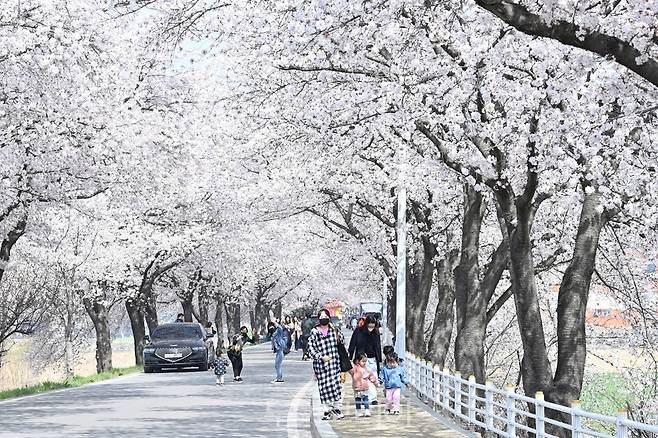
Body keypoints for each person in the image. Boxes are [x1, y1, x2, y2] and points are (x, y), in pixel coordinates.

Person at [308, 309, 344, 420]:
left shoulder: (333, 330)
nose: (324, 318)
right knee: (324, 387)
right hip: (321, 365)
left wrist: (336, 331)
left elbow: (341, 342)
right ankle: (327, 410)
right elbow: (310, 348)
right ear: (318, 318)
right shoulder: (314, 331)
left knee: (335, 386)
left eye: (325, 316)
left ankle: (336, 408)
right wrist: (320, 357)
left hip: (334, 363)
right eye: (321, 316)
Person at [348, 315, 382, 405]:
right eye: (369, 326)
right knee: (361, 377)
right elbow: (352, 344)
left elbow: (378, 346)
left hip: (372, 358)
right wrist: (350, 357)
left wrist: (380, 359)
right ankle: (362, 396)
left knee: (373, 376)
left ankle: (373, 398)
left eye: (373, 326)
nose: (371, 328)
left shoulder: (376, 332)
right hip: (361, 360)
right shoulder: (358, 331)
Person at [349, 352, 380, 417]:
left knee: (366, 399)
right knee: (358, 400)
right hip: (357, 387)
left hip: (365, 387)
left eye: (365, 361)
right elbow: (349, 369)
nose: (364, 363)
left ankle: (367, 410)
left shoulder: (367, 369)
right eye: (363, 361)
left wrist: (375, 382)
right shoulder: (354, 368)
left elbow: (371, 376)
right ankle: (358, 411)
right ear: (357, 361)